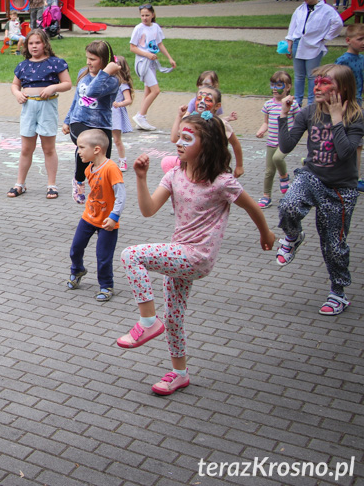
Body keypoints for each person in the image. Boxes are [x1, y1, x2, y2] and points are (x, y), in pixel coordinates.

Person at [117, 113, 274, 396]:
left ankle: (149, 322)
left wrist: (266, 233)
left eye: (187, 138)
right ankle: (179, 374)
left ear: (208, 144)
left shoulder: (222, 182)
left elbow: (253, 207)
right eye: (178, 136)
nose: (178, 142)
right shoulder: (175, 174)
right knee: (175, 318)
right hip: (179, 255)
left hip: (197, 256)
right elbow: (148, 209)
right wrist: (140, 178)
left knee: (131, 255)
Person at [275, 64, 364, 315]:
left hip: (340, 190)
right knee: (288, 205)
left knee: (334, 246)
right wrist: (284, 114)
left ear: (343, 88)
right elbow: (287, 145)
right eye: (316, 82)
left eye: (325, 83)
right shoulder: (308, 112)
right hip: (312, 177)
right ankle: (292, 237)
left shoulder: (356, 116)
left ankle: (338, 293)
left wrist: (336, 118)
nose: (317, 87)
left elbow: (346, 152)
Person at [9, 29, 72, 199]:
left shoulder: (55, 62)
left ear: (45, 44)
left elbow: (67, 83)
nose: (34, 46)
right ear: (26, 46)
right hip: (29, 108)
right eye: (31, 43)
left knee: (48, 148)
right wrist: (17, 94)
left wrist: (53, 87)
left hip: (47, 107)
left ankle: (51, 185)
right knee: (26, 148)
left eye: (38, 42)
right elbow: (15, 85)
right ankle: (20, 183)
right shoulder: (23, 65)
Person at [67, 129, 125, 302]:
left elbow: (121, 194)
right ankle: (77, 270)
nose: (78, 152)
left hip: (108, 221)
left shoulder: (111, 168)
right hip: (89, 217)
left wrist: (114, 216)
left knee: (103, 256)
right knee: (75, 248)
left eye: (81, 147)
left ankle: (106, 285)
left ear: (97, 149)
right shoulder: (89, 168)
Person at [63, 40, 120, 204]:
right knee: (85, 143)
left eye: (93, 59)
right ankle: (78, 180)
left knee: (101, 160)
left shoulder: (112, 80)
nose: (88, 62)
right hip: (79, 121)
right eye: (87, 58)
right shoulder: (83, 73)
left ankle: (99, 193)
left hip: (101, 125)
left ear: (104, 60)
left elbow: (93, 91)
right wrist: (67, 120)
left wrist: (106, 72)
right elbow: (78, 98)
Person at [285, 0, 343, 107]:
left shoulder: (326, 10)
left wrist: (326, 37)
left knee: (312, 76)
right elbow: (292, 27)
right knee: (299, 75)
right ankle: (297, 102)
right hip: (298, 43)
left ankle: (312, 103)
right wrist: (289, 44)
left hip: (314, 45)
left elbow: (338, 23)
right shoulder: (300, 9)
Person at [169, 86, 244, 178]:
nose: (202, 102)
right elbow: (174, 138)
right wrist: (179, 116)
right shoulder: (188, 120)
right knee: (167, 162)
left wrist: (239, 166)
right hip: (191, 166)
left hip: (212, 167)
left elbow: (235, 144)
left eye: (208, 100)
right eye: (199, 99)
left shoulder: (220, 124)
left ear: (217, 106)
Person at [255, 71, 299, 208]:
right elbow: (266, 122)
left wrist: (296, 135)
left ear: (288, 87)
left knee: (278, 158)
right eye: (272, 84)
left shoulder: (292, 104)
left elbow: (299, 122)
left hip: (286, 141)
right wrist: (262, 130)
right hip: (271, 141)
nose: (274, 88)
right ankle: (266, 196)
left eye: (279, 85)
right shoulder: (268, 104)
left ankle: (284, 176)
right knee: (269, 171)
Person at [130, 4, 176, 130]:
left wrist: (169, 58)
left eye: (147, 15)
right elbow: (132, 47)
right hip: (142, 63)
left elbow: (159, 44)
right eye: (142, 15)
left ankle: (141, 119)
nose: (144, 18)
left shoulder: (155, 27)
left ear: (153, 15)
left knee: (148, 91)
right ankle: (140, 116)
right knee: (155, 90)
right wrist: (147, 54)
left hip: (151, 63)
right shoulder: (138, 28)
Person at [111, 56, 134, 171]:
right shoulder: (109, 80)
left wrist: (119, 104)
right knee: (104, 139)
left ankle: (122, 161)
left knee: (117, 139)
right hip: (106, 112)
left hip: (115, 113)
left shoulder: (122, 84)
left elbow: (128, 100)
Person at [335, 24, 364, 105]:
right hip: (346, 99)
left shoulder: (361, 58)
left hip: (358, 97)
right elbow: (336, 79)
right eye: (360, 39)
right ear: (348, 40)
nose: (363, 42)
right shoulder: (343, 60)